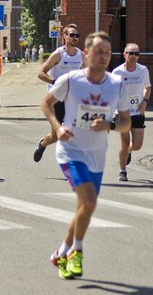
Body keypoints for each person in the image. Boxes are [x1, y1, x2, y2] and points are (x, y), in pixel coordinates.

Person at [41, 31, 131, 280]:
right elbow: (46, 103)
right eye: (99, 52)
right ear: (87, 53)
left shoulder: (117, 84)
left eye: (107, 52)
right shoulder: (71, 80)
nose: (103, 56)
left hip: (97, 155)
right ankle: (76, 252)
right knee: (89, 202)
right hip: (71, 151)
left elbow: (125, 122)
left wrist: (111, 126)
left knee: (84, 208)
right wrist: (58, 128)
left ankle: (60, 251)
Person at [33, 24, 86, 162]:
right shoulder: (58, 54)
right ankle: (43, 143)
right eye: (72, 35)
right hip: (55, 99)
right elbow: (40, 73)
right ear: (65, 36)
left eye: (77, 35)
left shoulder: (81, 56)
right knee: (55, 136)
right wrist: (54, 82)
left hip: (72, 99)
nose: (75, 38)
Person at [112, 43, 150, 181]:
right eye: (130, 53)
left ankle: (128, 151)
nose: (133, 56)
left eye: (136, 54)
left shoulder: (143, 70)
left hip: (138, 112)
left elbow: (148, 87)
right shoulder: (117, 72)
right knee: (124, 142)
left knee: (137, 145)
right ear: (124, 54)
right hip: (122, 113)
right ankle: (123, 171)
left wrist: (145, 101)